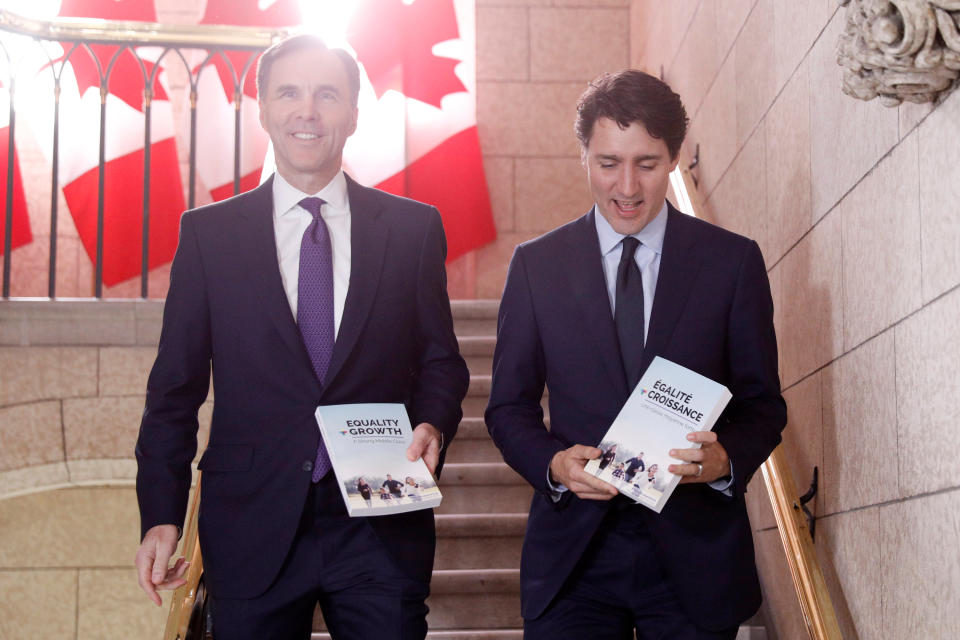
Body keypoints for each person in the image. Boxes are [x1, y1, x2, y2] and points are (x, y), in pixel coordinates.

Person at [133, 34, 469, 640]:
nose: (307, 111)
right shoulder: (209, 237)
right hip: (250, 523)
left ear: (353, 114)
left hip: (378, 524)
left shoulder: (413, 229)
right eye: (289, 93)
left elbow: (442, 361)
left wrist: (433, 421)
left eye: (327, 95)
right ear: (262, 109)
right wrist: (160, 515)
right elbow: (175, 392)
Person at [485, 69, 786, 639]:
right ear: (583, 157)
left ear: (673, 159)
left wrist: (725, 463)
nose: (626, 186)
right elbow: (508, 408)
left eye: (646, 164)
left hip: (695, 558)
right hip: (574, 557)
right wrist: (552, 464)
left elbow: (763, 405)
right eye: (608, 163)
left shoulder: (732, 263)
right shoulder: (535, 267)